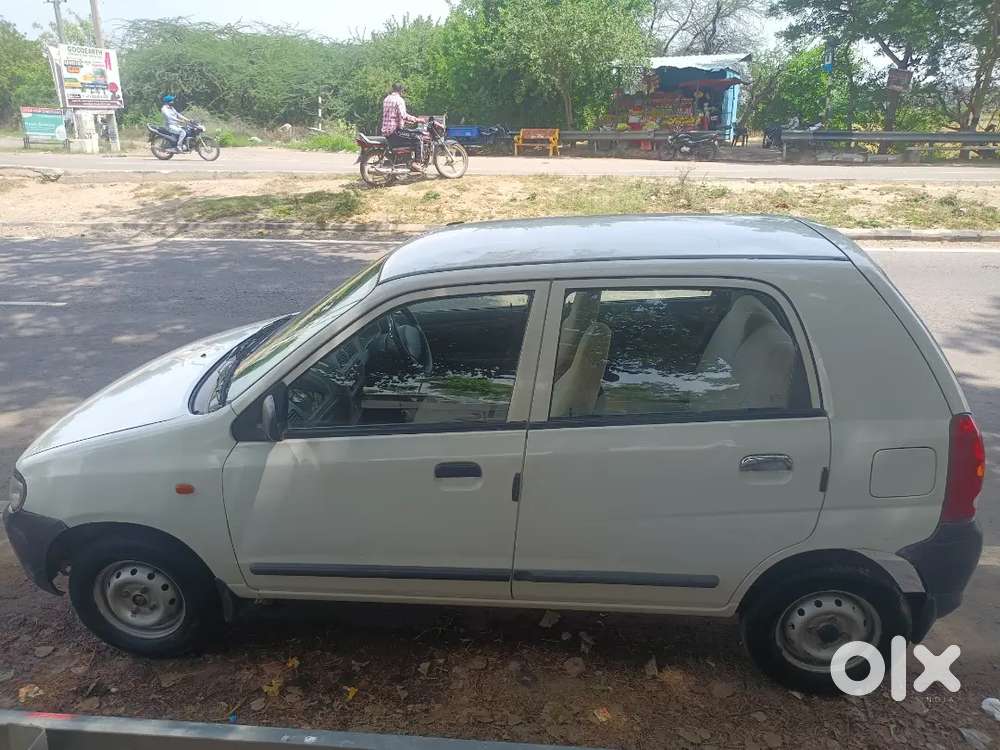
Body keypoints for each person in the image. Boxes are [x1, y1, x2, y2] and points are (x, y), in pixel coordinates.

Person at [381, 83, 425, 171]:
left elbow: (394, 115)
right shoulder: (399, 100)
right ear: (401, 90)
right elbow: (404, 115)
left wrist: (406, 121)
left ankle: (407, 159)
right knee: (417, 139)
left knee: (409, 134)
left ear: (392, 89)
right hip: (394, 131)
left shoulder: (386, 99)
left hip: (386, 131)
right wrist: (418, 120)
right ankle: (416, 163)